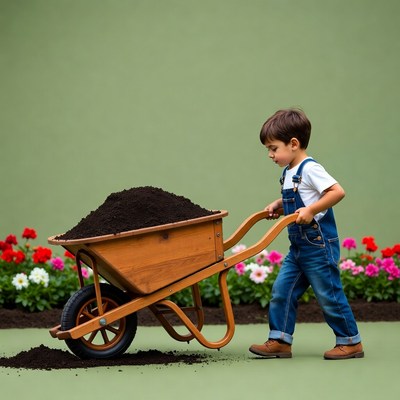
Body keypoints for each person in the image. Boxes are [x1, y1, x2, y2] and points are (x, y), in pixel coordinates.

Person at [249, 108, 364, 360]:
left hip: (318, 246)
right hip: (298, 249)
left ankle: (350, 341)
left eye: (273, 148)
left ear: (293, 144)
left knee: (328, 294)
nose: (270, 154)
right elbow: (296, 196)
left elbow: (336, 192)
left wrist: (311, 209)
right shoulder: (288, 170)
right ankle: (279, 340)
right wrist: (279, 204)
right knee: (282, 291)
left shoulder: (311, 168)